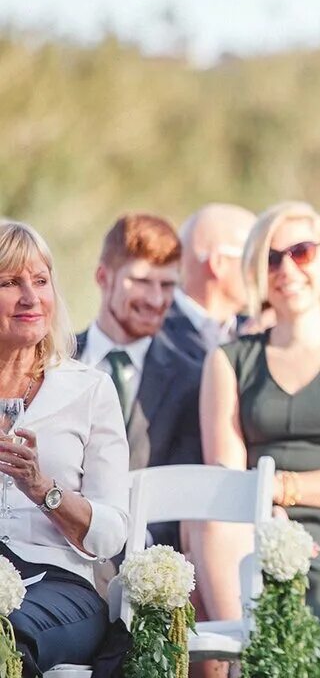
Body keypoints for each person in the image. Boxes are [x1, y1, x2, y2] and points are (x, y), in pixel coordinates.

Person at [196, 202, 320, 637]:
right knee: (249, 618)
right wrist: (265, 504)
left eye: (301, 252)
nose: (287, 268)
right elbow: (226, 474)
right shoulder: (229, 361)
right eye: (272, 258)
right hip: (252, 522)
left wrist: (283, 486)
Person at [0, 221, 129, 672]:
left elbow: (112, 534)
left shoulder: (89, 390)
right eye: (10, 283)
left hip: (59, 585)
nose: (31, 298)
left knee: (7, 635)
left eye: (40, 281)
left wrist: (43, 489)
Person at [75, 213, 201, 552]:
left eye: (168, 285)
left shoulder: (192, 380)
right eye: (143, 281)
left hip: (141, 556)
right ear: (104, 276)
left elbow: (186, 492)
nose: (157, 300)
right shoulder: (55, 362)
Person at [162, 203, 257, 361]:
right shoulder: (153, 332)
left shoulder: (256, 332)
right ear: (218, 263)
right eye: (254, 259)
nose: (265, 271)